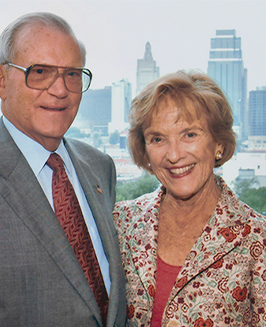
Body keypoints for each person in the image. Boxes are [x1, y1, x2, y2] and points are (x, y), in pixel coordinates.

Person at [0, 12, 126, 327]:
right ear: (1, 81)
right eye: (40, 71)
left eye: (72, 74)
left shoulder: (101, 167)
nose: (60, 90)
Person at [113, 70, 266, 326]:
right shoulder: (121, 223)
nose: (173, 155)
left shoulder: (257, 239)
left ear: (218, 142)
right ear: (145, 150)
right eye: (158, 139)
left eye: (190, 135)